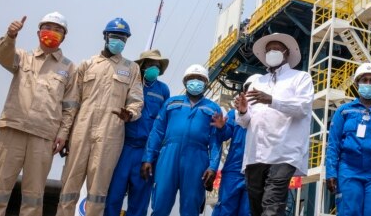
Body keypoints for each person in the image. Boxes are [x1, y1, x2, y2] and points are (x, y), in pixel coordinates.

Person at [0, 13, 77, 216]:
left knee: (33, 196)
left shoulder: (69, 68)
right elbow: (4, 57)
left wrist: (63, 133)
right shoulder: (23, 57)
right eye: (47, 27)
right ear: (38, 33)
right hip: (13, 129)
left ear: (64, 36)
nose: (52, 32)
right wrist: (10, 36)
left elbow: (69, 107)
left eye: (57, 29)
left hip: (44, 137)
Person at [56, 18, 144, 216]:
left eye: (123, 38)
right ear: (105, 37)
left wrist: (130, 113)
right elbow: (72, 103)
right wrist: (66, 133)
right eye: (115, 36)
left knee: (98, 189)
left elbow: (137, 100)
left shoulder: (131, 68)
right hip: (81, 129)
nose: (118, 41)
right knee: (69, 184)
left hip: (110, 132)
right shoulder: (87, 65)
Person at [234, 32, 314, 216]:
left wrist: (272, 100)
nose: (271, 52)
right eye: (268, 50)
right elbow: (245, 123)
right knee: (257, 207)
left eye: (276, 49)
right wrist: (243, 110)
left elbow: (302, 107)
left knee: (272, 204)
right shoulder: (257, 81)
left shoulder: (300, 78)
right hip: (255, 155)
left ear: (286, 53)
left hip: (284, 152)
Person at [141, 64, 222, 216]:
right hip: (168, 155)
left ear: (206, 83)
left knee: (191, 205)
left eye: (200, 79)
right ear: (185, 82)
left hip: (197, 159)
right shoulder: (171, 102)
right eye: (192, 78)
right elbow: (157, 131)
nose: (196, 82)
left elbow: (216, 141)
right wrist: (148, 158)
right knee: (160, 203)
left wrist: (212, 167)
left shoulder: (213, 108)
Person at [325, 62, 371, 216]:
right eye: (364, 80)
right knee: (349, 212)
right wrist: (331, 172)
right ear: (357, 83)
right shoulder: (344, 111)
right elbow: (333, 144)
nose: (368, 84)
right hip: (348, 171)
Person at [104, 49, 171, 216]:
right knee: (113, 195)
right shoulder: (130, 84)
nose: (154, 68)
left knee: (140, 199)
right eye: (150, 64)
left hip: (146, 151)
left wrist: (151, 155)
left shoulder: (163, 90)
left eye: (157, 65)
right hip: (123, 147)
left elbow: (162, 124)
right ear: (142, 66)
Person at [211, 74, 261, 216]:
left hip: (255, 171)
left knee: (248, 211)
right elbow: (225, 134)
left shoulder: (266, 115)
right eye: (248, 90)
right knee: (225, 209)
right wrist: (221, 127)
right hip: (234, 170)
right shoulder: (234, 113)